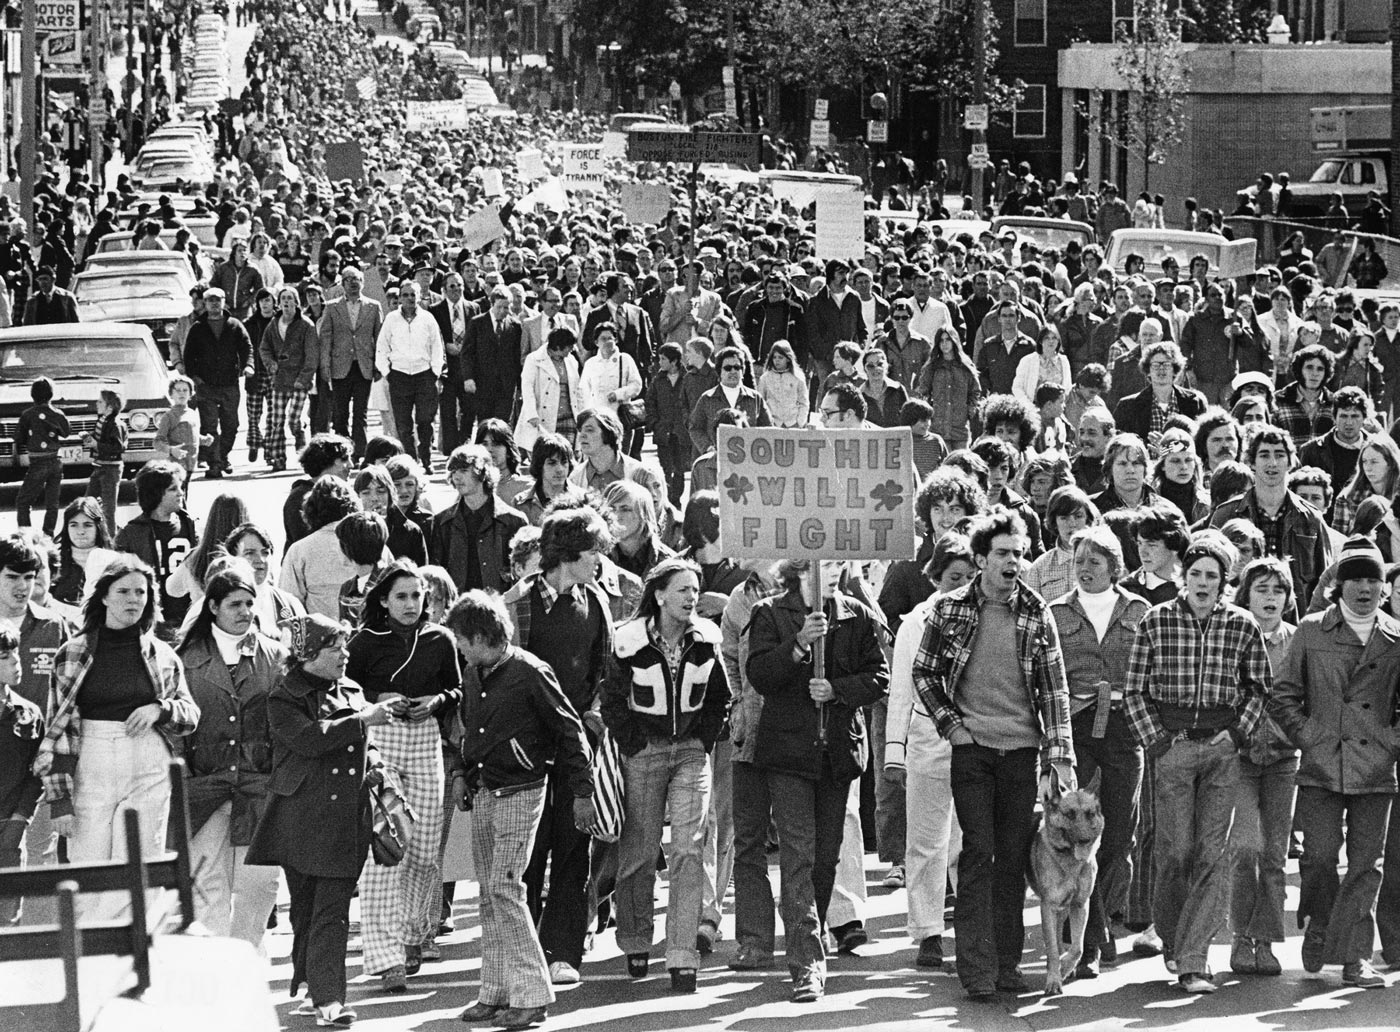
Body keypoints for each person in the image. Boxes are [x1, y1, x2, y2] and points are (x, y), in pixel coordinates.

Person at [911, 509, 1076, 999]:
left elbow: (1055, 689)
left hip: (1022, 752)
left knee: (1011, 858)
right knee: (977, 852)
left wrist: (1058, 754)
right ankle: (977, 971)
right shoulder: (950, 608)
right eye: (1003, 553)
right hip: (973, 750)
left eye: (1019, 554)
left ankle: (1008, 964)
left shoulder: (1036, 611)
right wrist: (952, 726)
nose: (1013, 562)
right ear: (981, 558)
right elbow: (924, 672)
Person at [1123, 532, 1272, 994]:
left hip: (1222, 750)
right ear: (1183, 578)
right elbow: (1134, 691)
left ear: (1225, 582)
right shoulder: (1156, 621)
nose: (1202, 583)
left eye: (1211, 576)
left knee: (1212, 853)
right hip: (1174, 748)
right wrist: (1159, 742)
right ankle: (1174, 937)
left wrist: (1238, 732)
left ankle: (1194, 959)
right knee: (1175, 852)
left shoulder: (1242, 625)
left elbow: (1259, 687)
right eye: (1194, 575)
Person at [446, 591, 595, 1031]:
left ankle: (531, 995)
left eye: (460, 639)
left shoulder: (531, 673)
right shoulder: (474, 674)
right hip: (485, 790)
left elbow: (571, 733)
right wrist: (460, 774)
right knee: (490, 895)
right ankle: (495, 993)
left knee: (505, 888)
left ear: (478, 636)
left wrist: (582, 791)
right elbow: (467, 731)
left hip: (522, 790)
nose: (458, 648)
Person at [745, 559, 888, 1002]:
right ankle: (806, 962)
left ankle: (812, 931)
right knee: (799, 855)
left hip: (838, 754)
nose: (831, 572)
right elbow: (760, 674)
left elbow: (878, 676)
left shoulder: (856, 614)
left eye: (837, 565)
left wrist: (839, 690)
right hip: (788, 753)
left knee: (826, 857)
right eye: (818, 567)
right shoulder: (770, 612)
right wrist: (798, 645)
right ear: (798, 573)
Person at [245, 613, 397, 1027]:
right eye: (336, 647)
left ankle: (329, 999)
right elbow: (310, 739)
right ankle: (313, 983)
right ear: (309, 654)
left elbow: (365, 746)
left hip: (346, 817)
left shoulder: (350, 688)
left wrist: (379, 768)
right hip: (300, 818)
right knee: (307, 911)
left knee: (331, 911)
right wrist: (362, 720)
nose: (346, 655)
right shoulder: (284, 696)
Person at [1268, 536, 1400, 990]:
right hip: (1322, 766)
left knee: (1367, 864)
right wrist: (1311, 737)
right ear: (1338, 586)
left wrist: (1390, 742)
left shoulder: (1396, 637)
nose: (1364, 589)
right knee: (1320, 857)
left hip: (1377, 768)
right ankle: (1320, 922)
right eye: (1355, 580)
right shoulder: (1310, 630)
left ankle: (1355, 957)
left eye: (1373, 581)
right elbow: (1283, 697)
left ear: (1384, 588)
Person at [32, 555, 200, 897]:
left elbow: (190, 715)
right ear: (104, 596)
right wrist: (60, 801)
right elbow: (59, 726)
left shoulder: (162, 654)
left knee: (141, 867)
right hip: (90, 763)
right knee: (89, 869)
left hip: (147, 762)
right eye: (123, 591)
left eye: (141, 592)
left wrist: (161, 709)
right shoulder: (73, 652)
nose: (134, 599)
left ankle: (138, 948)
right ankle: (95, 948)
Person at [603, 557, 728, 993]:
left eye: (695, 590)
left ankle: (681, 955)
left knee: (689, 849)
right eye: (682, 590)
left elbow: (719, 698)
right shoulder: (626, 640)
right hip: (645, 754)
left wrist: (703, 740)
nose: (692, 598)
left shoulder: (707, 637)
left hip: (692, 754)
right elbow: (613, 700)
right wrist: (635, 744)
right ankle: (636, 939)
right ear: (658, 595)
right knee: (639, 850)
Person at [501, 506, 614, 987]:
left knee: (574, 846)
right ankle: (524, 952)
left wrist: (594, 714)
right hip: (526, 751)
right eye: (593, 553)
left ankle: (564, 951)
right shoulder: (516, 604)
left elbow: (605, 670)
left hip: (576, 750)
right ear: (566, 554)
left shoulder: (597, 602)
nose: (599, 563)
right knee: (528, 854)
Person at [346, 560, 461, 992]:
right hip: (382, 742)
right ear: (382, 600)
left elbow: (458, 688)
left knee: (425, 845)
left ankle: (413, 933)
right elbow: (345, 690)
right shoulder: (364, 642)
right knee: (387, 846)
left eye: (417, 596)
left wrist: (437, 701)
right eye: (401, 596)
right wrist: (378, 697)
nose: (411, 604)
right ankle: (385, 955)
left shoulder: (439, 639)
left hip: (426, 740)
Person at [1047, 526, 1148, 976]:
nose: (1085, 569)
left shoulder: (1140, 610)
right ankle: (1088, 941)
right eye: (1079, 561)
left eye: (1095, 561)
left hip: (1126, 726)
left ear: (1114, 565)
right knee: (1078, 833)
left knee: (1121, 832)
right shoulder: (1056, 612)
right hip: (1078, 726)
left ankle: (1099, 918)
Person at [178, 563, 284, 953]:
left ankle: (247, 963)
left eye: (250, 603)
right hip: (204, 788)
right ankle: (217, 972)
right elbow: (172, 725)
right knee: (208, 886)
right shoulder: (185, 659)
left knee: (260, 885)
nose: (244, 611)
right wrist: (185, 773)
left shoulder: (276, 656)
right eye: (235, 604)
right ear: (213, 608)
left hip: (260, 786)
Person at [884, 534, 977, 971]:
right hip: (927, 738)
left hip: (976, 738)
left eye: (970, 576)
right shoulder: (915, 622)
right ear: (936, 576)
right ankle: (928, 932)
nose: (962, 584)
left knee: (968, 840)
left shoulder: (987, 614)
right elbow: (900, 691)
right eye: (954, 576)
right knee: (926, 840)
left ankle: (975, 931)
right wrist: (894, 754)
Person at [1229, 556, 1299, 978]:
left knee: (1274, 853)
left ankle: (1267, 940)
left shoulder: (1299, 638)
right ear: (1246, 594)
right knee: (1244, 849)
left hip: (1284, 759)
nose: (1270, 598)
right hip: (1239, 757)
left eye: (1278, 590)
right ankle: (1240, 938)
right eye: (1262, 589)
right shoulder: (1234, 632)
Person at [114, 461, 198, 639]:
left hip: (188, 617)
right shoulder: (131, 532)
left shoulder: (189, 525)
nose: (180, 493)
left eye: (180, 487)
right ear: (155, 494)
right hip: (151, 621)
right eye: (173, 489)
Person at [429, 444, 528, 594]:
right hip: (458, 607)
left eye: (463, 470)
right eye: (453, 471)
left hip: (500, 606)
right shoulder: (442, 522)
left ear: (483, 473)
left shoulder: (513, 521)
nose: (456, 477)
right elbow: (437, 576)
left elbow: (524, 576)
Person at [183, 285, 253, 479]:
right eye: (210, 300)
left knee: (232, 424)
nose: (214, 303)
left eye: (218, 299)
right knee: (210, 425)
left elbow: (247, 348)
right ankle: (214, 464)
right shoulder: (198, 328)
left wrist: (248, 366)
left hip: (230, 383)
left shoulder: (235, 325)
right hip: (206, 385)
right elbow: (189, 355)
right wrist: (194, 377)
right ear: (204, 304)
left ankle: (223, 456)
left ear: (224, 302)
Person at [281, 475, 374, 618]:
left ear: (310, 511)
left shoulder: (299, 550)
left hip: (322, 636)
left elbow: (289, 603)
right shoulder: (373, 543)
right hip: (368, 633)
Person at [0, 626, 43, 926]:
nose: (16, 661)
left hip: (9, 828)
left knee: (7, 918)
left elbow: (36, 774)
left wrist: (21, 818)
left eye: (15, 653)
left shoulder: (28, 714)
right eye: (5, 656)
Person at [376, 281, 444, 469]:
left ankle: (426, 458)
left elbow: (437, 347)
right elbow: (381, 347)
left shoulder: (428, 318)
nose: (409, 299)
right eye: (405, 295)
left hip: (424, 375)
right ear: (399, 298)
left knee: (425, 420)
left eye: (413, 295)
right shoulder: (391, 319)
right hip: (399, 375)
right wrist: (387, 372)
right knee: (403, 423)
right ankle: (412, 461)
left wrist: (435, 373)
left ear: (419, 296)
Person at [319, 267, 384, 461]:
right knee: (340, 413)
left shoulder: (373, 306)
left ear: (362, 283)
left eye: (356, 280)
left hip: (363, 366)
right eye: (348, 280)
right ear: (342, 283)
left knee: (360, 413)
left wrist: (378, 366)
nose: (353, 283)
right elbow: (325, 337)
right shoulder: (332, 306)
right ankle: (341, 453)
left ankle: (360, 453)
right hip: (340, 366)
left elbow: (379, 338)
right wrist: (325, 366)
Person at [260, 286, 319, 472]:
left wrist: (304, 377)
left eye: (290, 298)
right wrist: (271, 364)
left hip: (299, 378)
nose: (286, 302)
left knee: (293, 417)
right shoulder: (273, 324)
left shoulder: (306, 325)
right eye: (283, 298)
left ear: (296, 302)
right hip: (280, 378)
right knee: (276, 418)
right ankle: (278, 458)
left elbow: (312, 355)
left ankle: (299, 430)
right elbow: (264, 348)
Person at [13, 376, 70, 537]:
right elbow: (66, 432)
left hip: (37, 462)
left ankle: (26, 536)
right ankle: (48, 535)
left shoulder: (27, 415)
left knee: (23, 501)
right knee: (52, 502)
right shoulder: (57, 414)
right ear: (51, 395)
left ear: (32, 395)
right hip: (55, 460)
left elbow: (19, 438)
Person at [517, 327, 584, 451]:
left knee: (568, 455)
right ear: (558, 347)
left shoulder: (571, 361)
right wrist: (531, 413)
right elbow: (527, 387)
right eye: (569, 347)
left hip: (568, 416)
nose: (572, 350)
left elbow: (577, 390)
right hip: (542, 417)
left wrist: (582, 413)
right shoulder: (534, 359)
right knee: (545, 456)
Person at [83, 388, 127, 538]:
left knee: (109, 507)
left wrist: (97, 445)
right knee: (88, 502)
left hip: (111, 468)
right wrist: (90, 439)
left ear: (110, 407)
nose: (96, 403)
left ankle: (111, 539)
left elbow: (119, 447)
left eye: (100, 401)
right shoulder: (103, 420)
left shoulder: (116, 424)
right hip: (99, 466)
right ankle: (97, 533)